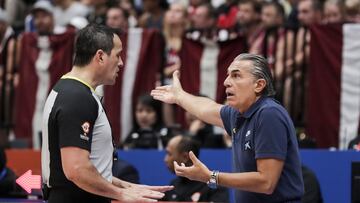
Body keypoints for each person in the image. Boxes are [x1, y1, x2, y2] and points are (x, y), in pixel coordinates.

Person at [41, 24, 173, 203]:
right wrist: (121, 195)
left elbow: (91, 167)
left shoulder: (70, 90)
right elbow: (76, 169)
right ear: (100, 56)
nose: (121, 63)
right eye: (117, 55)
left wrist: (127, 187)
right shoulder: (77, 98)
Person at [151, 53, 304, 202]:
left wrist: (211, 176)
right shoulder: (238, 114)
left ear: (259, 85)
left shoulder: (269, 114)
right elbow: (206, 108)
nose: (226, 82)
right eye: (228, 75)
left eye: (236, 75)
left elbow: (266, 183)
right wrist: (180, 96)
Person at [162, 135, 229, 202]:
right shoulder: (173, 185)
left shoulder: (215, 187)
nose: (165, 159)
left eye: (169, 154)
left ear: (185, 157)